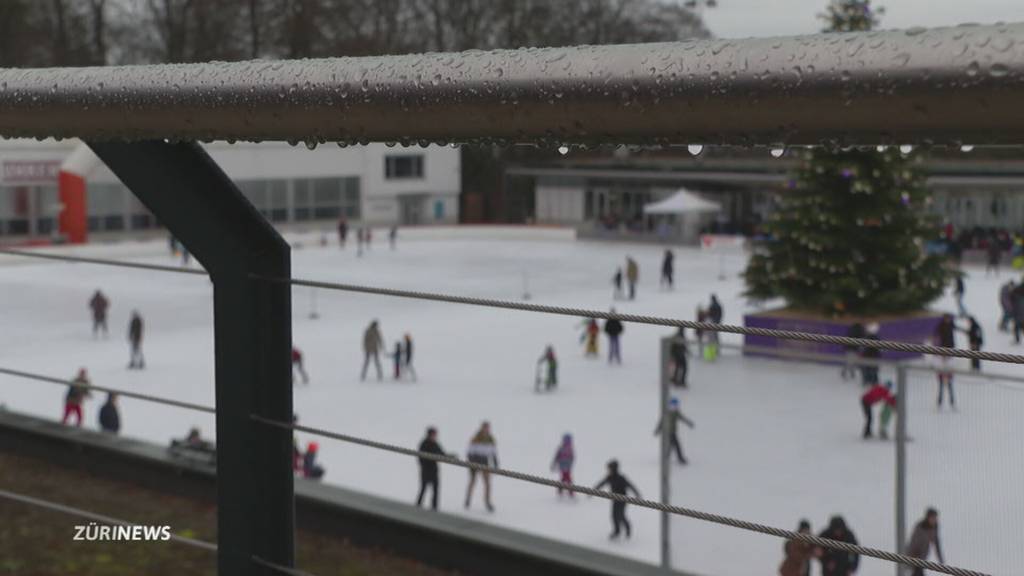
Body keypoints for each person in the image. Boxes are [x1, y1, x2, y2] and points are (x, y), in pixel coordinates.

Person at [593, 459, 641, 539]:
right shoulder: (609, 477)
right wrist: (594, 490)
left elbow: (630, 485)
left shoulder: (621, 478)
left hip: (623, 500)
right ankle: (617, 531)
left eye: (609, 468)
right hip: (615, 500)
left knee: (621, 516)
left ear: (614, 469)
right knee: (613, 516)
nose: (608, 470)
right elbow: (602, 483)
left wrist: (637, 494)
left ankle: (628, 529)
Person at [465, 421, 498, 512]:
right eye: (485, 428)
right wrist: (471, 462)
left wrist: (495, 463)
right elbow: (469, 451)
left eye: (487, 428)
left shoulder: (491, 439)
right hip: (474, 461)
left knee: (487, 483)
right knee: (472, 481)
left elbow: (493, 452)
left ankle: (487, 501)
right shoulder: (476, 438)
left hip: (485, 462)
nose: (486, 430)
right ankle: (468, 499)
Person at [654, 397, 696, 464]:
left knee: (672, 445)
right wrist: (658, 430)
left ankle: (667, 458)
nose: (674, 408)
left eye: (675, 406)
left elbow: (682, 418)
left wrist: (689, 423)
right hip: (668, 433)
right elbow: (661, 422)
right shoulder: (666, 413)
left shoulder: (676, 413)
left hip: (673, 432)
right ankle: (679, 458)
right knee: (676, 445)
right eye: (673, 406)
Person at [905, 508, 944, 576]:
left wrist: (940, 559)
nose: (934, 520)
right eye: (932, 517)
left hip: (923, 557)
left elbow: (937, 543)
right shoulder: (920, 526)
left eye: (935, 518)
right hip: (915, 557)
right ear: (927, 517)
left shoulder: (935, 526)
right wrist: (914, 558)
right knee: (918, 572)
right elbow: (914, 544)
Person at [416, 427, 446, 510]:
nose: (435, 436)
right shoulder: (424, 444)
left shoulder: (435, 444)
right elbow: (420, 458)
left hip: (434, 471)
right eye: (434, 434)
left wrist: (450, 457)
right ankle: (418, 507)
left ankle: (434, 509)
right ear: (430, 434)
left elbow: (442, 454)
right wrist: (425, 467)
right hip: (426, 471)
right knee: (423, 489)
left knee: (436, 490)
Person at [933, 314, 957, 408]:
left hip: (949, 346)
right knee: (941, 388)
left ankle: (952, 402)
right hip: (944, 346)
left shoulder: (950, 325)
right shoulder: (941, 326)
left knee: (950, 387)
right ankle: (940, 402)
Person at [550, 433, 575, 497]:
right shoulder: (562, 448)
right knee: (566, 478)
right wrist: (554, 464)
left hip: (567, 466)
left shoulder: (570, 448)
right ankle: (567, 490)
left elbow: (572, 457)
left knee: (566, 478)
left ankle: (565, 490)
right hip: (562, 466)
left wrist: (570, 464)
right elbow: (557, 456)